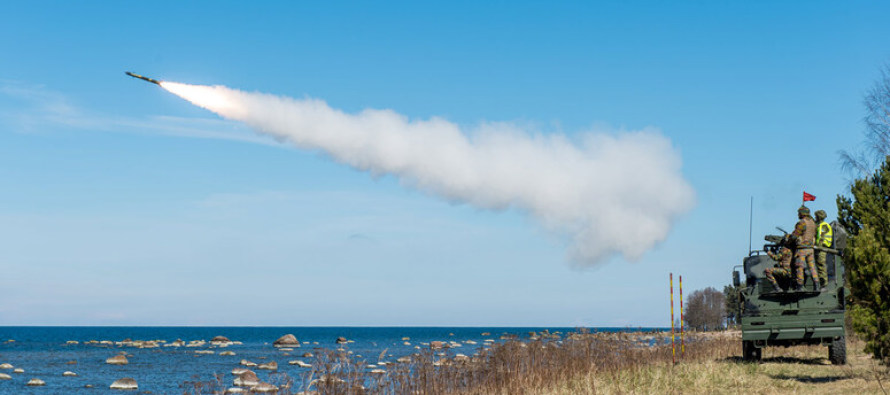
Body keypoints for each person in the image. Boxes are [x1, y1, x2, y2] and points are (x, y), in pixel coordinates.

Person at [791, 205, 820, 291]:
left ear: (802, 214)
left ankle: (800, 286)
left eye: (799, 213)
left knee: (799, 267)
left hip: (802, 249)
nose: (798, 215)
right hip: (810, 249)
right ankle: (816, 285)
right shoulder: (813, 223)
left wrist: (788, 240)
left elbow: (795, 235)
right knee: (812, 267)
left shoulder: (802, 223)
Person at [814, 210, 833, 287]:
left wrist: (819, 246)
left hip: (822, 248)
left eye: (816, 216)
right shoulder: (820, 225)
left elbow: (822, 237)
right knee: (819, 266)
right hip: (820, 247)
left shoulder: (824, 225)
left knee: (821, 266)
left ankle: (824, 284)